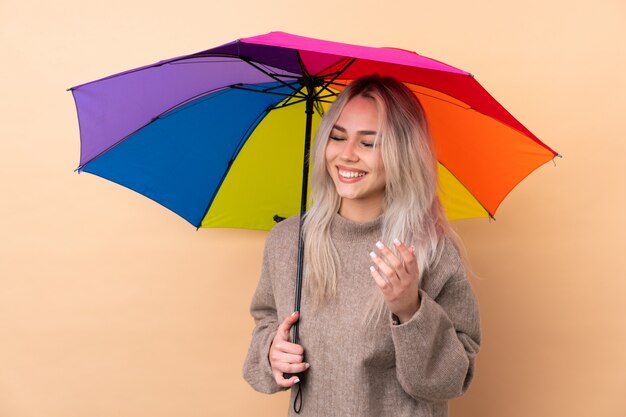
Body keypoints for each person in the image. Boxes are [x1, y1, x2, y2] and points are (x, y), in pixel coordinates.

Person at [243, 75, 481, 417]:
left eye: (368, 143)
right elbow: (266, 320)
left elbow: (450, 381)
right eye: (337, 137)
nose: (347, 155)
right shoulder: (287, 242)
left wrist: (410, 309)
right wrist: (271, 352)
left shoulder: (430, 249)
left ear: (402, 154)